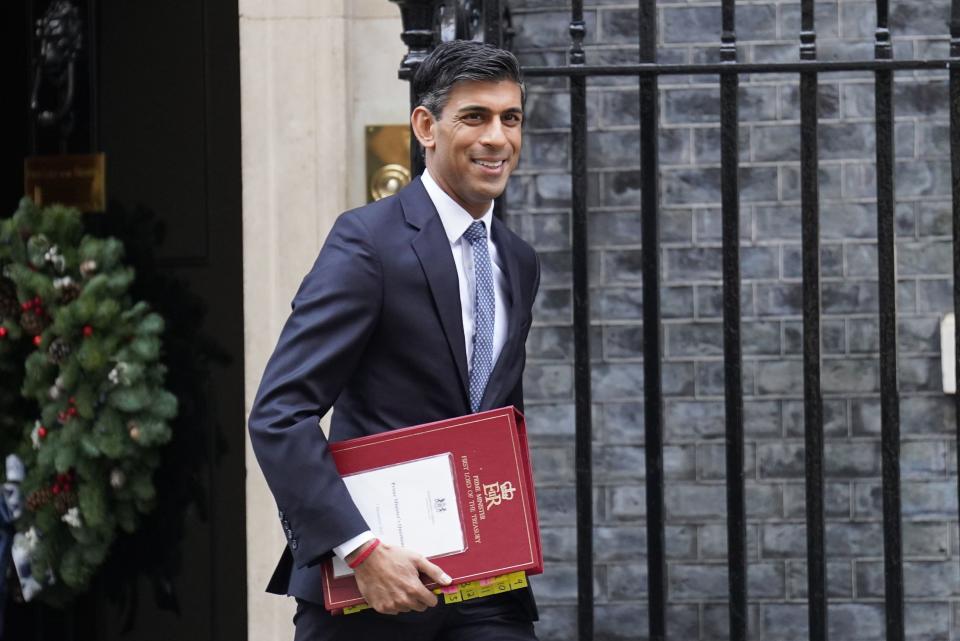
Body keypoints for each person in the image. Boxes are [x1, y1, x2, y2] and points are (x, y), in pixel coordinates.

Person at [248, 40, 541, 641]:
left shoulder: (518, 260)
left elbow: (490, 414)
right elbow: (280, 413)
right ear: (426, 126)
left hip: (487, 589)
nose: (498, 138)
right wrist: (360, 550)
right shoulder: (368, 243)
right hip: (371, 590)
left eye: (510, 118)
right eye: (475, 117)